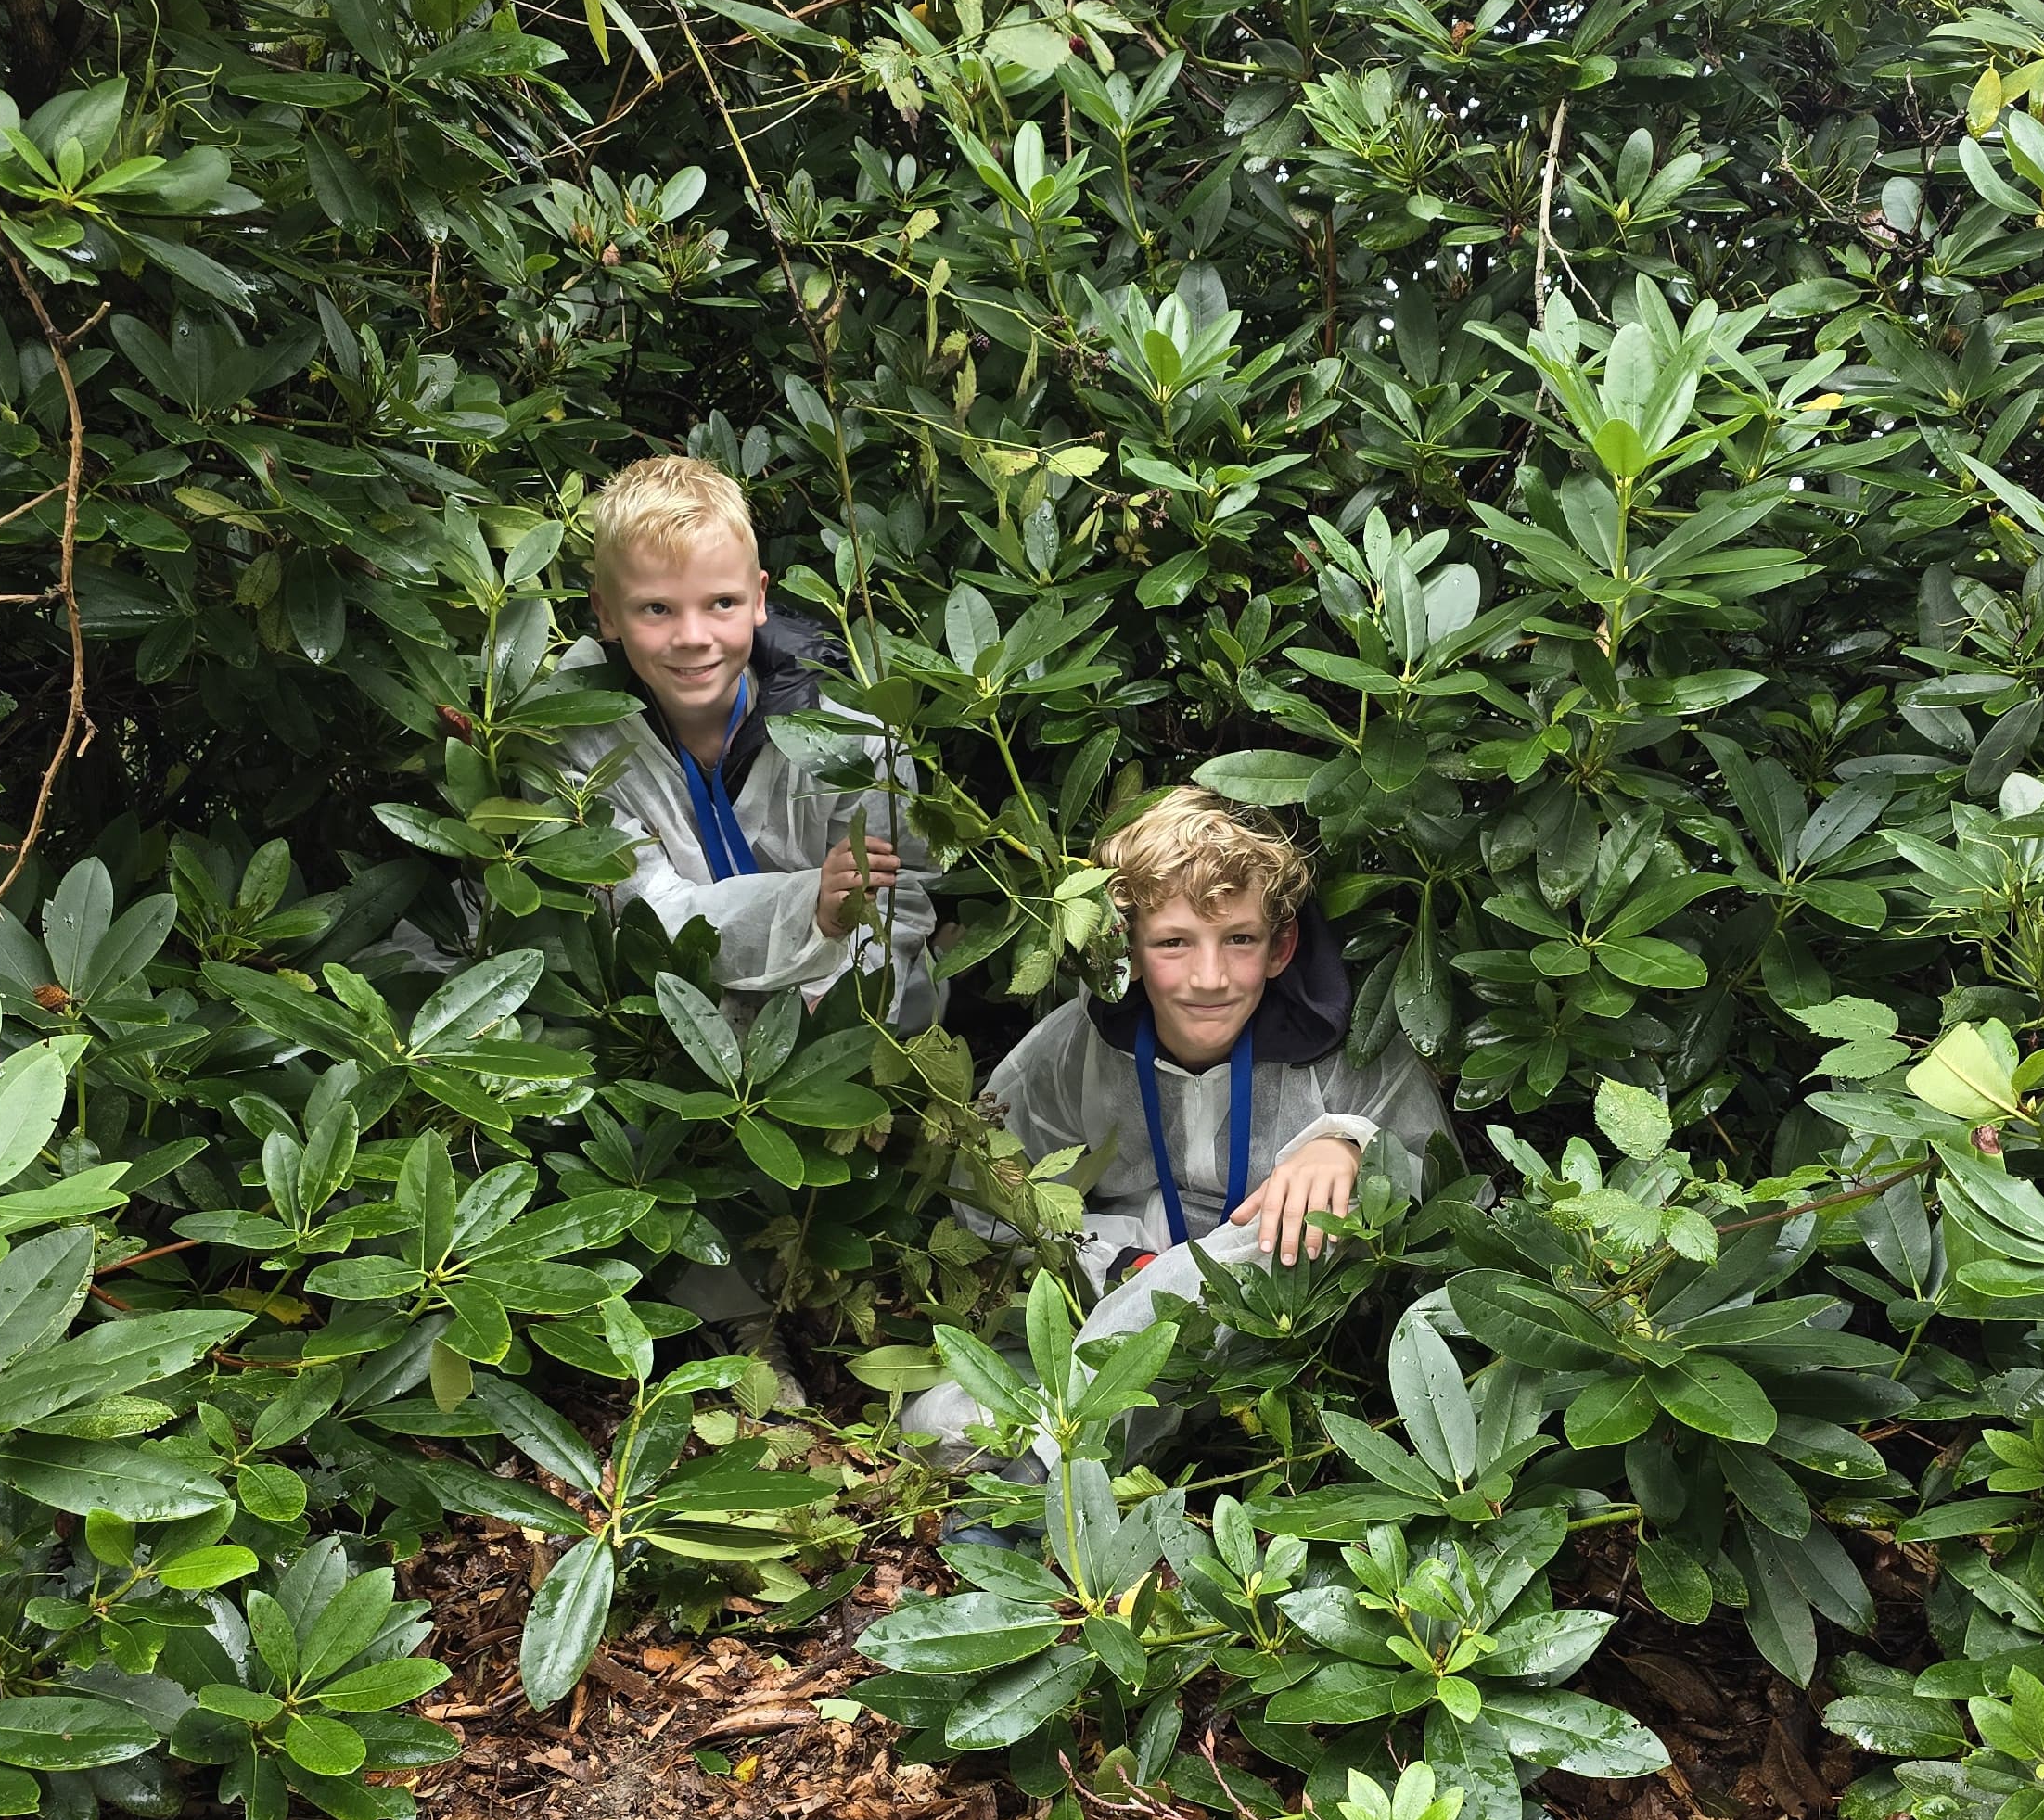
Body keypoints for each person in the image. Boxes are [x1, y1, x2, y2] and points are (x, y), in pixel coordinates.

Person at [906, 787, 1456, 1468]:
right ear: (1127, 948)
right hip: (1103, 1311)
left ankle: (1052, 1468)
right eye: (1173, 942)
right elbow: (995, 1192)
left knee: (1304, 1213)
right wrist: (1110, 1265)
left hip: (1277, 1333)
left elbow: (1435, 1182)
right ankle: (1059, 1444)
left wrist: (1348, 1148)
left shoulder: (1346, 1048)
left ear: (1281, 946)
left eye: (1240, 939)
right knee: (936, 1423)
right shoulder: (1081, 1045)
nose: (1209, 977)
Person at [555, 454, 937, 1029]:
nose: (692, 637)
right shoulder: (571, 734)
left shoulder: (849, 731)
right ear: (606, 612)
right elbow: (640, 915)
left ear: (759, 599)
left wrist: (829, 1009)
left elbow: (898, 899)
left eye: (721, 603)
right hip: (662, 1024)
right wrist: (809, 909)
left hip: (843, 1017)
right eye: (656, 608)